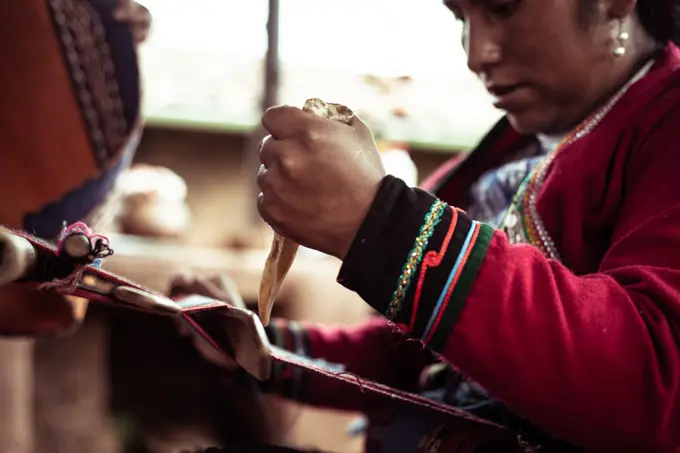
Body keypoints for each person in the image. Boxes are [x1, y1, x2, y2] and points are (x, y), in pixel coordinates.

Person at [249, 0, 680, 452]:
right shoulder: (507, 153)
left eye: (502, 8)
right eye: (460, 18)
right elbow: (418, 360)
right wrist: (255, 345)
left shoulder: (664, 124)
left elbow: (654, 375)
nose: (476, 54)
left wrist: (384, 223)